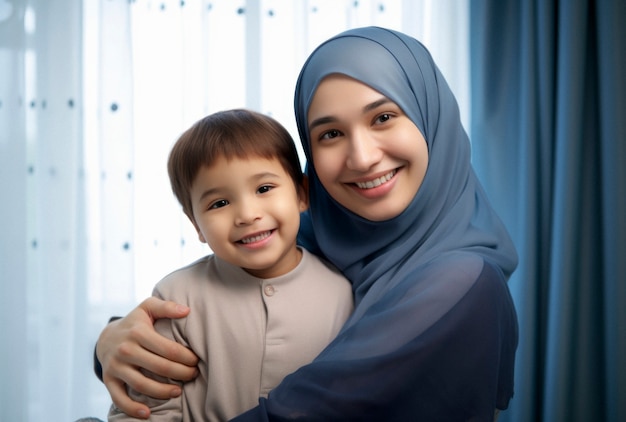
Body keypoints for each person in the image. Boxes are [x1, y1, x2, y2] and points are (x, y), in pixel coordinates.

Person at [97, 27, 519, 421]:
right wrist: (112, 342)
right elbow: (202, 318)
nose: (362, 157)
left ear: (430, 117)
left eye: (383, 117)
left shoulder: (462, 283)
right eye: (330, 134)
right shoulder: (299, 237)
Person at [107, 109, 354, 421]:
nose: (247, 214)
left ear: (302, 194)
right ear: (196, 224)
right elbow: (147, 406)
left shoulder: (343, 294)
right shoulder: (176, 297)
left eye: (264, 188)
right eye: (219, 203)